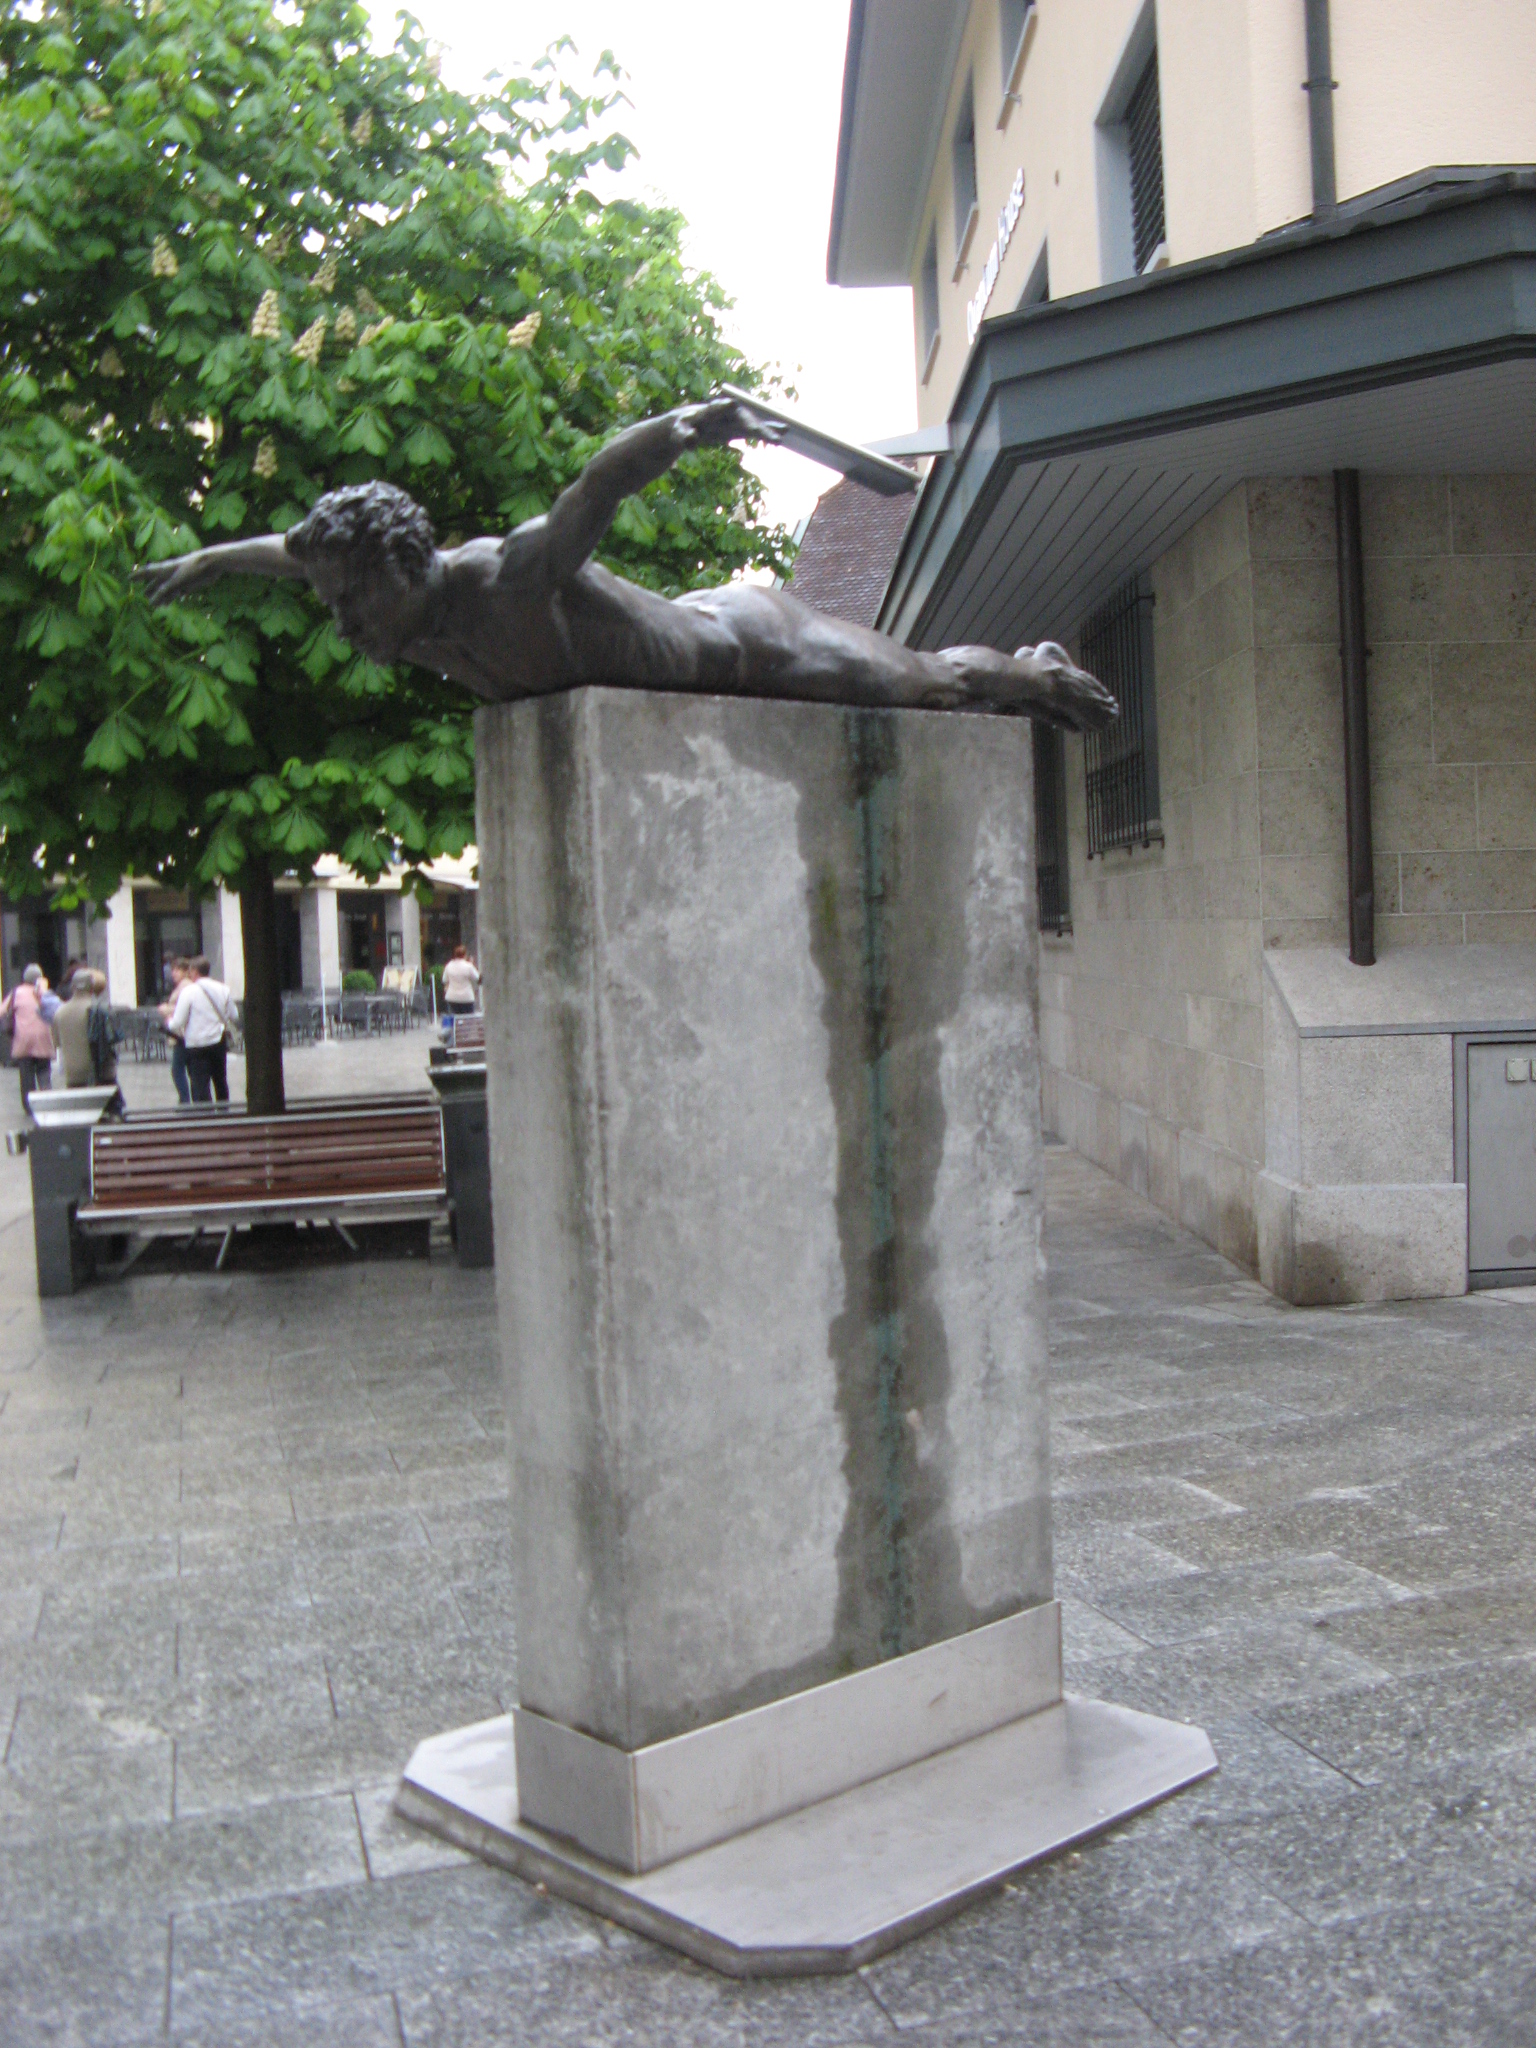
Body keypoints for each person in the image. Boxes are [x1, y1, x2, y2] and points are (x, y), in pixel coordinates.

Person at [134, 397, 1118, 734]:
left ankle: (1034, 674)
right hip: (680, 662)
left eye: (352, 601)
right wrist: (215, 558)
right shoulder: (410, 620)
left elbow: (595, 487)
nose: (343, 624)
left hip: (746, 644)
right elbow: (295, 556)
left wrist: (686, 427)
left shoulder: (505, 574)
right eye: (333, 605)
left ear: (407, 562)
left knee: (928, 684)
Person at [169, 956, 237, 1104]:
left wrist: (168, 1020)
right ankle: (224, 1110)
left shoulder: (188, 992)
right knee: (220, 1081)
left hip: (197, 1044)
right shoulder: (223, 989)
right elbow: (234, 1015)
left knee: (200, 1085)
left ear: (194, 971)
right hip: (218, 1041)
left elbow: (177, 1022)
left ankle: (206, 1113)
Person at [55, 970, 124, 1112]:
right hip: (102, 1076)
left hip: (73, 1076)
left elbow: (57, 1043)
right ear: (92, 988)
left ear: (72, 988)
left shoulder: (59, 1012)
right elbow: (113, 1040)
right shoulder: (100, 1009)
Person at [1, 965, 56, 1115]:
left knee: (26, 1076)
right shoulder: (44, 993)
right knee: (44, 1072)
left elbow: (2, 1011)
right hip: (43, 1039)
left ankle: (29, 1106)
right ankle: (47, 1100)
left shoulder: (16, 993)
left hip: (23, 1040)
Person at [159, 957, 193, 1105]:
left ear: (185, 971)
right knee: (185, 1068)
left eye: (177, 970)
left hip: (182, 1033)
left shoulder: (186, 987)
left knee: (177, 1069)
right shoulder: (181, 986)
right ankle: (188, 1099)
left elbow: (184, 1007)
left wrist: (166, 1010)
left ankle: (185, 1100)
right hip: (181, 1032)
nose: (174, 973)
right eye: (173, 970)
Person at [441, 945, 480, 1015]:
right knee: (468, 1019)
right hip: (467, 997)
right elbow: (477, 977)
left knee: (454, 1019)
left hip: (452, 997)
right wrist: (471, 963)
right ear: (465, 955)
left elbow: (444, 980)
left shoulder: (449, 965)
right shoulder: (468, 966)